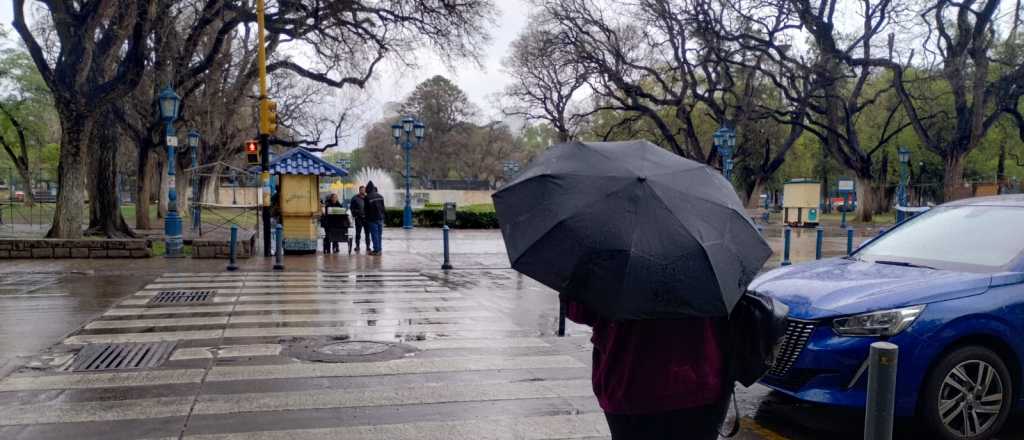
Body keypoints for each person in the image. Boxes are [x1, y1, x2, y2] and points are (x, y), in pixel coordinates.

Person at [566, 299, 730, 440]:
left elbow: (580, 311)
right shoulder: (713, 266)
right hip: (698, 382)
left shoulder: (610, 264)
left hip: (628, 384)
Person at [364, 181, 386, 256]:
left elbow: (366, 209)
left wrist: (366, 218)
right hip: (380, 218)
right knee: (379, 235)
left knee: (374, 235)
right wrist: (383, 217)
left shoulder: (367, 197)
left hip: (372, 219)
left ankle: (376, 250)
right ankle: (379, 249)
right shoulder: (380, 196)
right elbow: (383, 208)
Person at [349, 186, 371, 252]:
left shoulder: (368, 197)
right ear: (359, 190)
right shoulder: (355, 198)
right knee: (358, 233)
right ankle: (357, 246)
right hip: (358, 218)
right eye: (361, 190)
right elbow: (351, 208)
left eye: (364, 190)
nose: (363, 191)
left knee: (367, 233)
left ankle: (368, 247)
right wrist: (355, 214)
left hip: (367, 218)